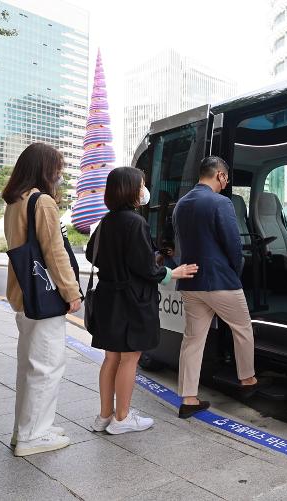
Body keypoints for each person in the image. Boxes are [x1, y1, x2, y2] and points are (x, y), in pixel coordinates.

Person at [86, 167, 197, 434]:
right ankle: (122, 418)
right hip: (131, 301)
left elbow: (93, 254)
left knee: (111, 357)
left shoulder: (106, 221)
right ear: (130, 189)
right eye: (141, 184)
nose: (144, 189)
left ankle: (104, 416)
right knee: (130, 358)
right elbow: (146, 269)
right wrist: (173, 271)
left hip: (108, 298)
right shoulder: (135, 222)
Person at [3, 143, 81, 457]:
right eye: (57, 169)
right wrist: (72, 292)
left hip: (23, 295)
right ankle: (33, 435)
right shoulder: (42, 201)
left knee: (29, 366)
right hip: (43, 296)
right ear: (45, 169)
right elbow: (55, 253)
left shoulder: (15, 202)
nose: (59, 175)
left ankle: (27, 428)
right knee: (47, 366)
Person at [173, 156, 258, 419]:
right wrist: (237, 269)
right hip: (220, 281)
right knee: (242, 328)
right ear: (220, 175)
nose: (226, 183)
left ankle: (188, 398)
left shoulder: (181, 205)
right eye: (226, 178)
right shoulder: (221, 203)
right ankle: (247, 380)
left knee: (193, 339)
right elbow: (233, 245)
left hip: (191, 281)